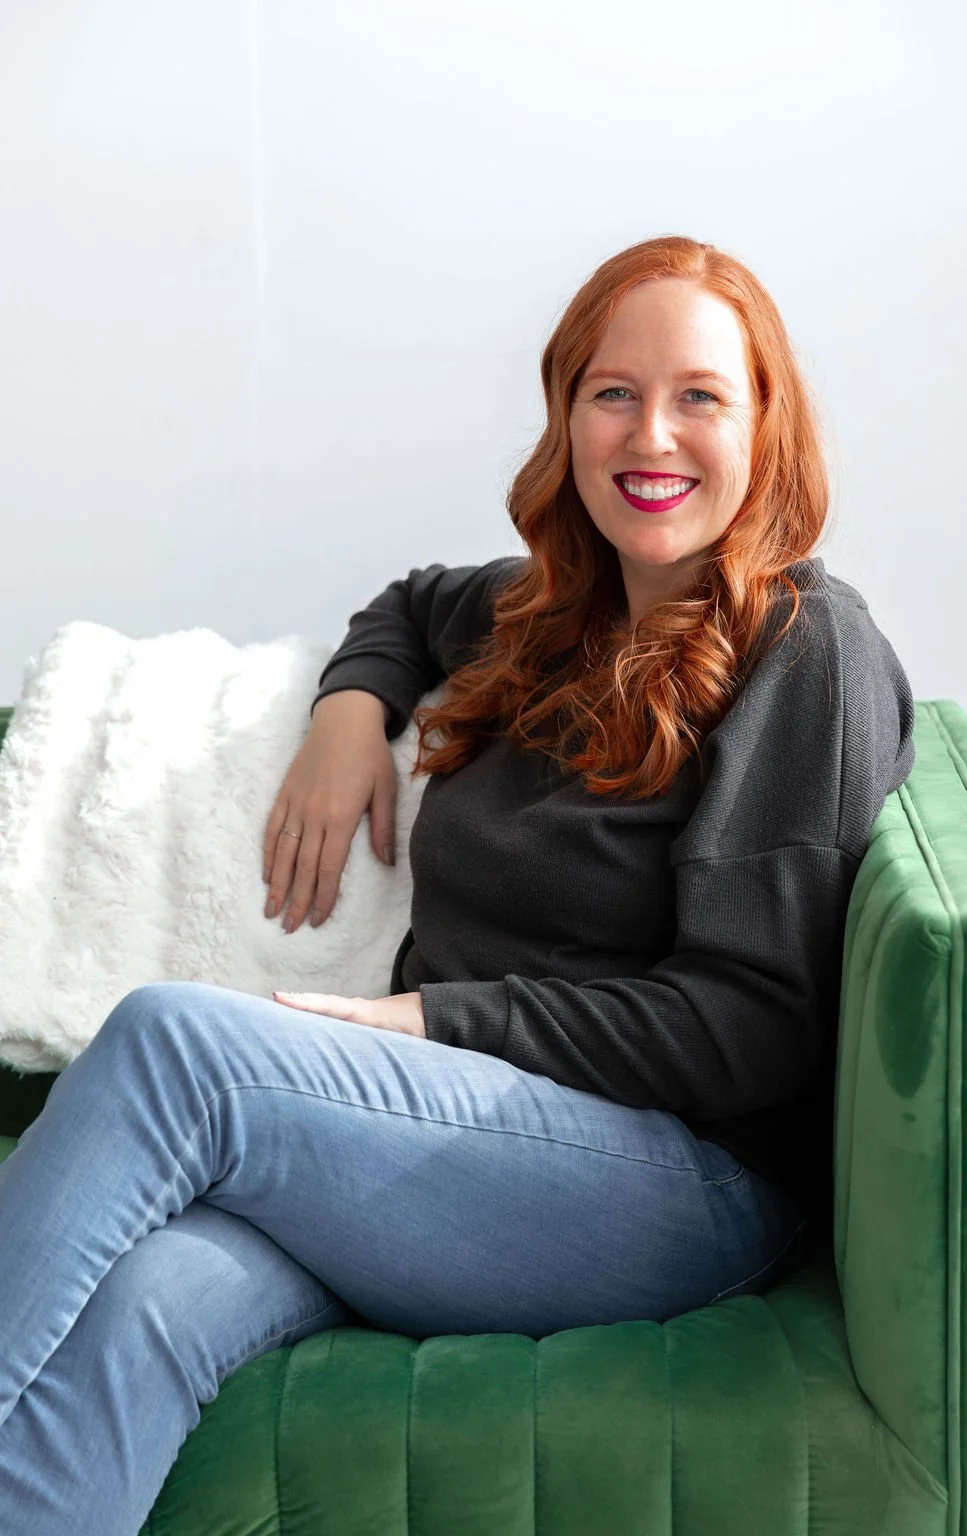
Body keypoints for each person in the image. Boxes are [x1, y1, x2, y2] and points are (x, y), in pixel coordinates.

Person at [0, 235, 915, 1533]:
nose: (651, 433)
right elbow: (412, 605)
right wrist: (350, 714)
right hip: (455, 1153)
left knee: (176, 1048)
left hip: (678, 1183)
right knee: (150, 1302)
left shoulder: (806, 647)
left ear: (765, 423)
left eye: (700, 395)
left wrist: (432, 1021)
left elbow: (751, 1026)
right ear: (566, 415)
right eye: (613, 392)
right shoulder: (550, 616)